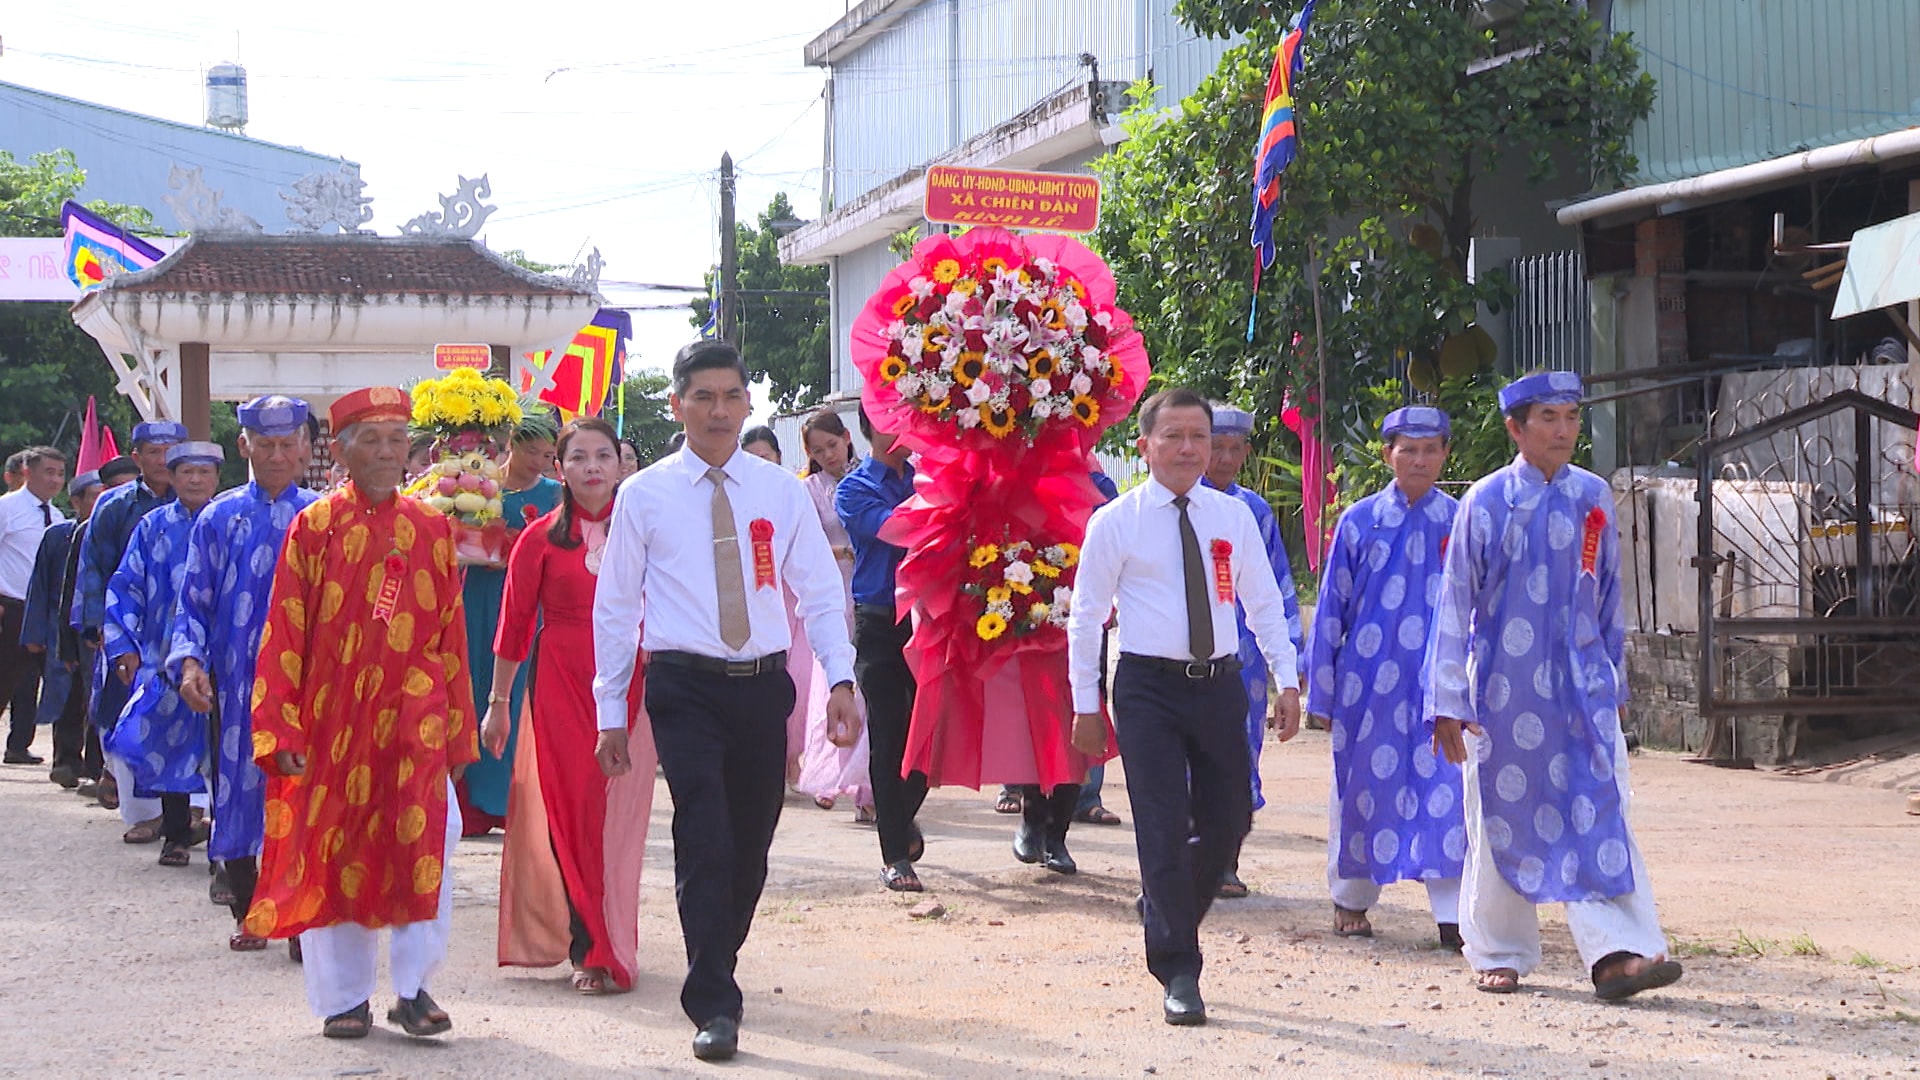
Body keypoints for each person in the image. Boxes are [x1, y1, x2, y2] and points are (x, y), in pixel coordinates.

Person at [592, 340, 860, 1062]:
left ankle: (718, 954)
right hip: (682, 686)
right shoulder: (643, 495)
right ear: (677, 404)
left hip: (762, 686)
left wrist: (840, 679)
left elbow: (819, 591)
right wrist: (610, 712)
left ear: (747, 404)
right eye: (703, 397)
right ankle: (713, 999)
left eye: (731, 396)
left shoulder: (779, 492)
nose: (718, 410)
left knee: (749, 845)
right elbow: (615, 609)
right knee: (704, 832)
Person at [1427, 371, 1682, 1001]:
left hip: (1581, 690)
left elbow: (1609, 597)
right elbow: (1454, 603)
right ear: (1515, 428)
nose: (1563, 430)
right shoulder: (1485, 502)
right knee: (1498, 815)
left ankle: (1617, 953)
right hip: (1502, 695)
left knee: (1598, 810)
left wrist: (1614, 683)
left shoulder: (1593, 496)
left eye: (1571, 416)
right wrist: (1448, 702)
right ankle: (1498, 949)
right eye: (1548, 417)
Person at [243, 387, 478, 1040]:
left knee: (429, 841)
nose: (385, 452)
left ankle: (414, 989)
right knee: (336, 847)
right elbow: (284, 631)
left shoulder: (431, 528)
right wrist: (282, 726)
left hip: (415, 720)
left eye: (396, 439)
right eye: (370, 439)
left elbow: (451, 636)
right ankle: (344, 999)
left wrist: (458, 729)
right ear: (342, 452)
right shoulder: (313, 527)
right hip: (333, 722)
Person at [1067, 388, 1302, 1027]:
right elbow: (1086, 618)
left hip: (1219, 684)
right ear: (1145, 446)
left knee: (1230, 820)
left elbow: (1263, 603)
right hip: (1147, 688)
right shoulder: (1115, 521)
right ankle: (1178, 968)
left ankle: (1165, 908)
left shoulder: (1233, 517)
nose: (1189, 449)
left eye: (1199, 436)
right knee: (1163, 824)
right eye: (1173, 436)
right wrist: (1086, 703)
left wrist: (1286, 678)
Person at [486, 418, 655, 994]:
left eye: (602, 455)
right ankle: (589, 946)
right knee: (572, 809)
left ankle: (612, 934)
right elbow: (512, 627)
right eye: (578, 457)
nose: (592, 467)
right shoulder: (538, 539)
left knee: (616, 816)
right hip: (560, 681)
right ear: (559, 470)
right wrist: (498, 702)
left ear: (620, 464)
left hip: (630, 683)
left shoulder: (643, 532)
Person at [1307, 406, 1464, 948]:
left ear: (1444, 454)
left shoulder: (1462, 521)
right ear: (1387, 454)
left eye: (1430, 449)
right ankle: (1351, 898)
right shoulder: (1359, 521)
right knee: (1362, 789)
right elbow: (1332, 608)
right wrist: (1321, 693)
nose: (1419, 460)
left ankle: (1454, 915)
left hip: (1440, 684)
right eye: (1408, 450)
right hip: (1367, 685)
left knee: (1447, 790)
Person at [171, 397, 320, 950]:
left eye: (286, 444)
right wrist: (191, 662)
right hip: (237, 685)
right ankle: (248, 907)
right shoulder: (218, 517)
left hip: (307, 682)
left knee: (302, 790)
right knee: (237, 788)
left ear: (303, 447)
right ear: (244, 446)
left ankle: (301, 916)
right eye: (265, 445)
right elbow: (193, 601)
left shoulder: (323, 517)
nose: (276, 455)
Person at [101, 441, 223, 868]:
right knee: (168, 740)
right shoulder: (151, 527)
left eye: (204, 472)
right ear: (172, 477)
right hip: (162, 655)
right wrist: (122, 646)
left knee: (221, 747)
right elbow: (126, 586)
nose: (195, 480)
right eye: (186, 472)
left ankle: (225, 843)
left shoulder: (229, 522)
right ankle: (175, 834)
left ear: (217, 478)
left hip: (223, 658)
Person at [1201, 405, 1304, 898]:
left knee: (1239, 753)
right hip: (1187, 654)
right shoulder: (1179, 505)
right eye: (1216, 447)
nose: (1225, 458)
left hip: (1245, 660)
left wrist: (1289, 668)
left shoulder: (1253, 512)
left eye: (1234, 449)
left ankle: (1226, 861)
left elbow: (1278, 587)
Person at [74, 421, 185, 827]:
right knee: (125, 712)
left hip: (181, 626)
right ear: (136, 457)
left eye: (169, 451)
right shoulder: (113, 505)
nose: (162, 460)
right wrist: (98, 626)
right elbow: (94, 567)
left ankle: (185, 810)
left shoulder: (198, 500)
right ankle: (142, 812)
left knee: (182, 717)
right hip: (129, 623)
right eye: (153, 452)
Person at [836, 405, 928, 892]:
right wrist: (944, 506)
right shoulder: (854, 488)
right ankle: (895, 855)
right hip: (880, 622)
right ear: (869, 430)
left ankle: (900, 816)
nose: (904, 432)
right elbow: (898, 529)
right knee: (890, 735)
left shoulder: (925, 480)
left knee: (930, 735)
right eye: (893, 422)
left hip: (929, 620)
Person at [457, 414, 563, 836]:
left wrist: (518, 548)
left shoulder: (554, 494)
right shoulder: (479, 486)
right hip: (479, 597)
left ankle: (513, 798)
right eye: (531, 451)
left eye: (547, 455)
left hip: (527, 603)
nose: (538, 461)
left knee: (517, 694)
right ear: (511, 444)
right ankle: (472, 801)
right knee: (474, 683)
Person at [792, 408, 873, 822]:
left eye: (832, 445)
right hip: (831, 595)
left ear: (847, 437)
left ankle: (867, 787)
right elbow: (802, 544)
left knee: (869, 689)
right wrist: (843, 552)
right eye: (818, 450)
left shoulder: (870, 477)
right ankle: (830, 774)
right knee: (836, 686)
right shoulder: (807, 490)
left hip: (869, 589)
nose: (828, 455)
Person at [63, 457, 140, 804]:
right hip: (116, 621)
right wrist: (93, 624)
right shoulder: (109, 511)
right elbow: (86, 576)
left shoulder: (187, 506)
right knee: (108, 698)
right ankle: (106, 770)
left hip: (167, 623)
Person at [26, 469, 102, 788]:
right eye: (95, 497)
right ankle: (66, 760)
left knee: (98, 697)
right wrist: (34, 634)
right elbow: (40, 586)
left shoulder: (112, 532)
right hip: (63, 628)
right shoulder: (58, 536)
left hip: (98, 629)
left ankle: (98, 767)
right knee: (67, 696)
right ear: (76, 501)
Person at [1, 446, 68, 765]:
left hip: (44, 609)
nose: (55, 480)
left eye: (60, 474)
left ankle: (21, 745)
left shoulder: (58, 518)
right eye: (48, 472)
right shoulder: (7, 508)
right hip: (10, 606)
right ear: (28, 472)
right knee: (4, 677)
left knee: (42, 680)